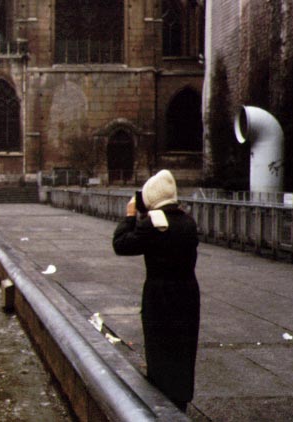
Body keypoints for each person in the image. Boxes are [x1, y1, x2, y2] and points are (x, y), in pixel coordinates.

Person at [112, 169, 200, 412]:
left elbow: (121, 245)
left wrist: (131, 216)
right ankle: (181, 397)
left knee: (160, 345)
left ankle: (161, 401)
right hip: (188, 293)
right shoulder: (187, 221)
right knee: (183, 346)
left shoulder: (154, 224)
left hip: (159, 294)